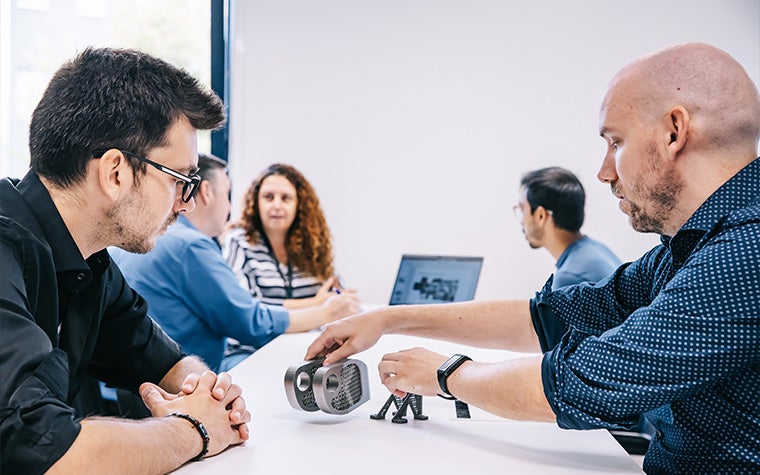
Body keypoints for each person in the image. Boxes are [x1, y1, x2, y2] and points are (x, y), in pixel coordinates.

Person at [305, 42, 760, 473]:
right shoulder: (689, 247)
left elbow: (582, 382)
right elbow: (545, 318)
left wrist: (446, 376)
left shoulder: (744, 253)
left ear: (674, 132)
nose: (603, 171)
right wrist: (386, 319)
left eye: (615, 142)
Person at [0, 48, 250, 474]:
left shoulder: (88, 261)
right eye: (181, 181)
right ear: (115, 172)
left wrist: (208, 393)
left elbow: (163, 360)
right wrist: (195, 429)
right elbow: (48, 452)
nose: (184, 205)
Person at [112, 155, 361, 373]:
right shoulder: (192, 246)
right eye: (228, 195)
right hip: (181, 382)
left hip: (131, 382)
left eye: (286, 198)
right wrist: (325, 311)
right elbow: (250, 323)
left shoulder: (150, 239)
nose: (230, 208)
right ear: (208, 192)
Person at [223, 163, 352, 308]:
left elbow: (338, 296)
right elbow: (242, 305)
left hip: (317, 331)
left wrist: (341, 298)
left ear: (299, 204)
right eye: (268, 197)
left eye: (286, 198)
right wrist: (316, 303)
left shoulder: (312, 243)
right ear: (255, 202)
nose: (277, 206)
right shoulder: (239, 241)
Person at [515, 166, 621, 291]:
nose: (521, 220)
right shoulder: (597, 249)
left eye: (522, 210)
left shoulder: (569, 280)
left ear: (541, 215)